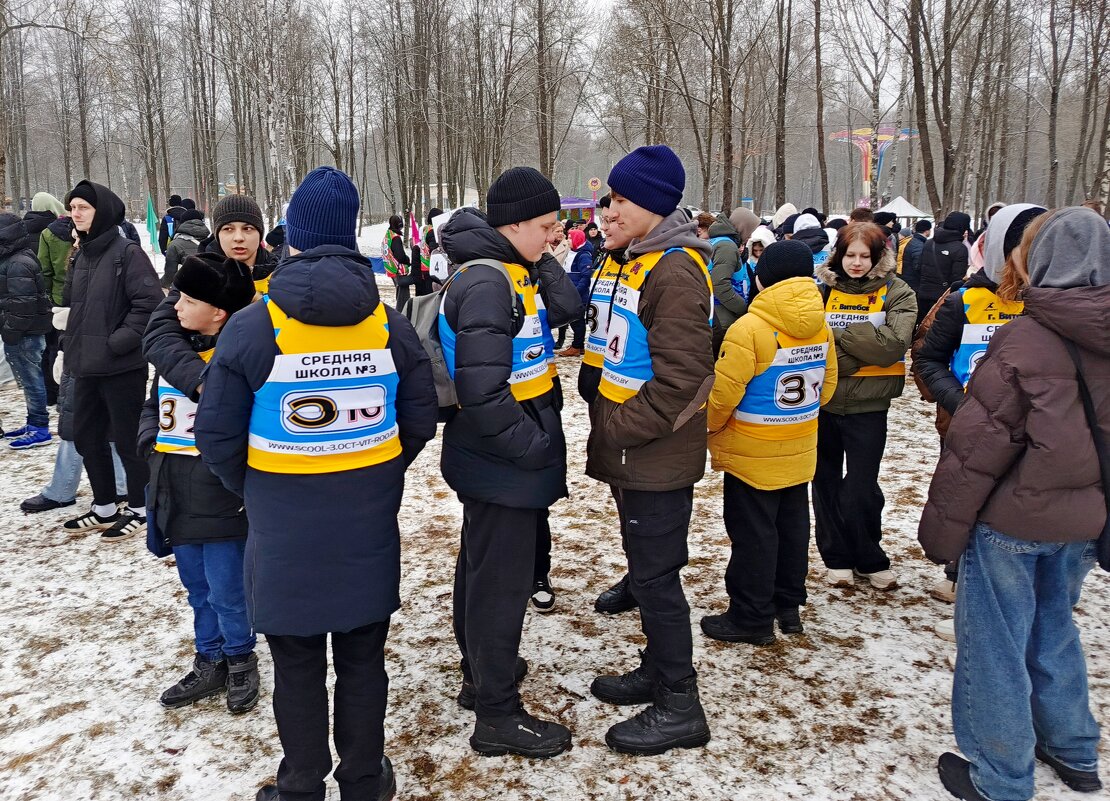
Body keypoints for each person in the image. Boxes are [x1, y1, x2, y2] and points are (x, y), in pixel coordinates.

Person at [194, 167, 437, 801]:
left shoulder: (254, 327)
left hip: (281, 530)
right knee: (363, 660)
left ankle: (301, 785)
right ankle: (362, 780)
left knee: (296, 663)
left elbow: (216, 435)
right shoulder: (387, 324)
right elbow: (418, 418)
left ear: (294, 238)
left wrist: (259, 488)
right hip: (365, 523)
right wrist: (374, 467)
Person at [919, 206, 1109, 801]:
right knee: (1055, 626)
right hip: (1084, 516)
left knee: (995, 642)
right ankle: (1073, 748)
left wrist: (943, 531)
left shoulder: (1023, 338)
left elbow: (977, 449)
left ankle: (999, 775)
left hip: (1013, 521)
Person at [437, 168, 581, 758]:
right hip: (504, 452)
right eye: (546, 227)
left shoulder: (513, 268)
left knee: (483, 565)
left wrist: (541, 257)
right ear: (512, 224)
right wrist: (533, 447)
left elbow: (570, 307)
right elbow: (483, 390)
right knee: (501, 583)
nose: (554, 235)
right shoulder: (489, 283)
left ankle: (481, 673)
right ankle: (496, 714)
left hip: (500, 451)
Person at [585, 145, 713, 755]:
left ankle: (680, 703)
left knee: (658, 578)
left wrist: (617, 429)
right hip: (636, 449)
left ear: (655, 206)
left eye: (620, 200)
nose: (610, 210)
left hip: (652, 451)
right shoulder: (636, 260)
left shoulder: (676, 270)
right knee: (644, 568)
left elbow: (684, 378)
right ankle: (657, 668)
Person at [139, 253, 260, 715]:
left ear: (219, 313)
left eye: (189, 300)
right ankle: (209, 657)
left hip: (220, 493)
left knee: (228, 586)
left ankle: (239, 657)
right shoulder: (179, 352)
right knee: (195, 584)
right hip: (173, 484)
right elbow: (155, 404)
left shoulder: (234, 361)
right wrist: (150, 441)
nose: (176, 306)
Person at [913, 205, 1046, 615]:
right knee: (965, 501)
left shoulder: (1047, 302)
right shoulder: (963, 299)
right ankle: (959, 578)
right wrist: (963, 404)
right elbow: (927, 358)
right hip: (965, 425)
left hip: (1033, 431)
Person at [704, 240, 838, 643]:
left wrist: (707, 428)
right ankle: (788, 606)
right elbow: (827, 388)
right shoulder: (822, 324)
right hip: (798, 447)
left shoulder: (749, 328)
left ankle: (750, 617)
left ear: (762, 278)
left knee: (753, 535)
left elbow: (724, 395)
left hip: (751, 452)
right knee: (793, 528)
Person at [812, 222, 917, 589]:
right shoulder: (821, 291)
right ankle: (836, 555)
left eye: (864, 256)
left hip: (869, 405)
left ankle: (869, 555)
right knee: (824, 481)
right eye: (850, 255)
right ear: (838, 255)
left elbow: (892, 344)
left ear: (878, 257)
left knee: (861, 485)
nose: (856, 263)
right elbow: (809, 340)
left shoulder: (897, 291)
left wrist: (839, 340)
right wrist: (860, 345)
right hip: (823, 404)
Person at [59, 181, 162, 541]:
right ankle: (104, 505)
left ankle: (139, 507)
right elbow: (73, 303)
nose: (75, 213)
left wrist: (113, 343)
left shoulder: (127, 253)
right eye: (72, 207)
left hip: (121, 366)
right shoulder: (83, 253)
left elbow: (148, 306)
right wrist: (68, 341)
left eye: (83, 207)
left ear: (101, 211)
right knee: (86, 436)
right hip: (85, 365)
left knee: (128, 440)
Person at [0, 212, 53, 448]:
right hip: (23, 332)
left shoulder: (18, 262)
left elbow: (24, 303)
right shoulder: (14, 257)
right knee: (30, 381)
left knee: (32, 381)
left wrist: (11, 332)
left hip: (25, 334)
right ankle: (34, 422)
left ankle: (40, 427)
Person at [917, 211, 971, 327]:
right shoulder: (960, 248)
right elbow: (957, 279)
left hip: (923, 295)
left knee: (921, 331)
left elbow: (919, 267)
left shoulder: (928, 243)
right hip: (943, 299)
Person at [706, 212, 744, 355]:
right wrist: (742, 307)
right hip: (723, 318)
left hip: (715, 315)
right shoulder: (727, 246)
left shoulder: (715, 242)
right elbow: (720, 284)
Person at [556, 228, 593, 357]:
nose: (568, 240)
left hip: (577, 294)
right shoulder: (573, 252)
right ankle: (579, 345)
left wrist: (576, 292)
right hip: (571, 292)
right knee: (574, 320)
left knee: (577, 321)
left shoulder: (583, 255)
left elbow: (586, 276)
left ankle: (577, 346)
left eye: (570, 238)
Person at [161, 209, 211, 289]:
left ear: (182, 223)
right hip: (213, 289)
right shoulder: (212, 242)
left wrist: (161, 284)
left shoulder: (175, 245)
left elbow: (170, 274)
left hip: (188, 291)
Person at [382, 214, 413, 311]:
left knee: (399, 294)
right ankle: (403, 317)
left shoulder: (388, 235)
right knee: (403, 299)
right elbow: (400, 256)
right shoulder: (395, 238)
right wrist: (407, 260)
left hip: (391, 268)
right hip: (398, 270)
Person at [900, 218, 931, 292]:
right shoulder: (919, 245)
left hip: (907, 279)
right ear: (927, 231)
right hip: (914, 282)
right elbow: (917, 265)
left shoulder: (911, 241)